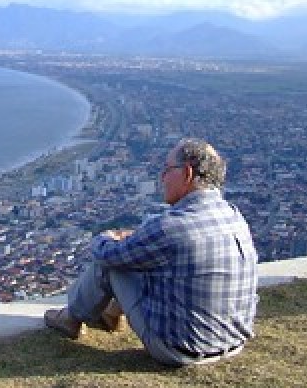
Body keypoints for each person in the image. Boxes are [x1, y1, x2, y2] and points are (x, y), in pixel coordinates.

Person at [45, 138, 259, 366]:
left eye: (167, 170)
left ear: (187, 173)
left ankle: (71, 319)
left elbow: (107, 255)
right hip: (233, 343)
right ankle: (109, 315)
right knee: (141, 260)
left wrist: (105, 237)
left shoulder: (173, 226)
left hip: (178, 349)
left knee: (110, 262)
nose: (162, 177)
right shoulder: (234, 215)